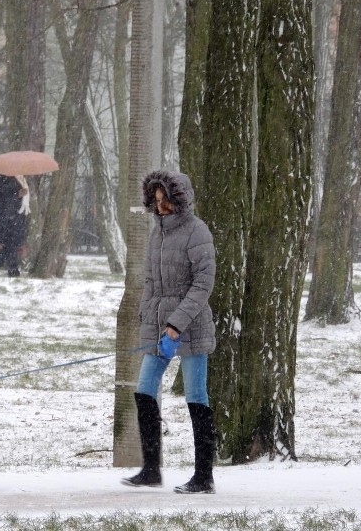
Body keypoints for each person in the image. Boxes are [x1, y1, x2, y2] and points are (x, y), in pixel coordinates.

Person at [120, 169, 218, 494]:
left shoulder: (197, 231)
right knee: (145, 389)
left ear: (179, 199)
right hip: (158, 328)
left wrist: (176, 324)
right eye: (156, 201)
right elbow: (150, 282)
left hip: (191, 327)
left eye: (166, 201)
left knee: (196, 396)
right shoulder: (155, 235)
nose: (160, 207)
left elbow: (203, 284)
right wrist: (149, 315)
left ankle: (204, 476)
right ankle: (151, 469)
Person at [0, 175, 30, 277]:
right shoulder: (3, 178)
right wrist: (18, 194)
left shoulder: (20, 179)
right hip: (8, 217)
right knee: (11, 246)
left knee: (12, 246)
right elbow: (4, 199)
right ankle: (10, 269)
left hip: (17, 216)